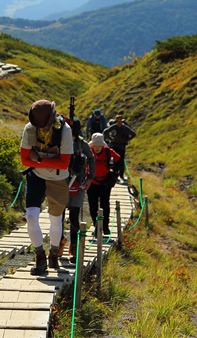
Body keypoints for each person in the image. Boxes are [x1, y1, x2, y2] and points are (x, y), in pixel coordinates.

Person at [21, 100, 73, 274]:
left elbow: (64, 164)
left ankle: (53, 254)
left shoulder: (64, 130)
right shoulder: (30, 129)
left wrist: (40, 160)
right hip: (35, 176)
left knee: (55, 219)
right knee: (31, 217)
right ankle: (40, 257)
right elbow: (24, 159)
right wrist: (50, 162)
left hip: (58, 179)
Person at [64, 119, 95, 264]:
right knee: (58, 216)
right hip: (62, 183)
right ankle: (58, 243)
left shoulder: (83, 145)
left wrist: (90, 178)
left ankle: (73, 246)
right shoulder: (61, 142)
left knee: (74, 215)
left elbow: (91, 158)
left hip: (78, 183)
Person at [86, 133, 120, 236]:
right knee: (93, 206)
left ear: (103, 145)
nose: (96, 148)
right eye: (95, 146)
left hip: (105, 183)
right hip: (91, 183)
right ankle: (96, 227)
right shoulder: (88, 151)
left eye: (99, 146)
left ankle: (105, 227)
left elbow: (119, 160)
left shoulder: (108, 152)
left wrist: (114, 174)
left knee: (105, 204)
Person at [103, 114, 136, 180]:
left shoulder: (125, 128)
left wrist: (127, 140)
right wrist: (110, 138)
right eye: (118, 121)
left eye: (121, 121)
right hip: (115, 145)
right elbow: (105, 132)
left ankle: (121, 175)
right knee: (115, 160)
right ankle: (115, 173)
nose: (119, 123)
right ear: (116, 121)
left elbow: (133, 134)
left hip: (122, 146)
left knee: (121, 160)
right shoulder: (114, 127)